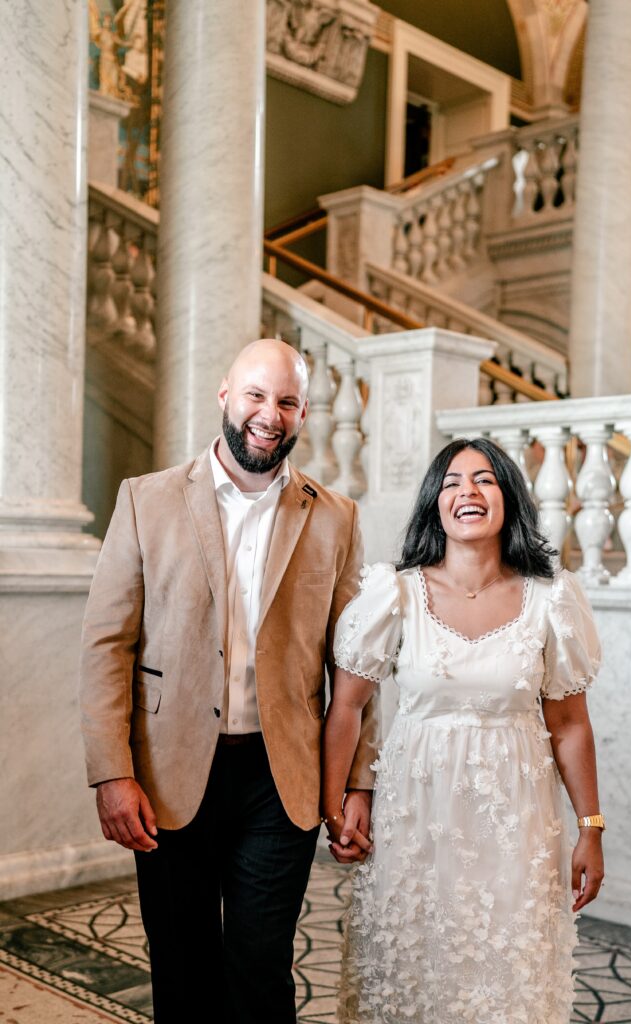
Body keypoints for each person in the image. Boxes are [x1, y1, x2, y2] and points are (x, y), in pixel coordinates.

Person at [79, 339, 377, 1023]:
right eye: (255, 395)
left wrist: (358, 781)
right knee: (180, 968)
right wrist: (111, 773)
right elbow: (105, 645)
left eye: (286, 401)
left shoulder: (335, 517)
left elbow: (356, 663)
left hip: (281, 781)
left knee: (260, 968)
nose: (268, 414)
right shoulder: (144, 500)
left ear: (302, 414)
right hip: (166, 774)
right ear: (224, 395)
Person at [323, 437, 604, 1024]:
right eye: (451, 482)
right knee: (410, 976)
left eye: (484, 480)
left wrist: (590, 829)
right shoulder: (393, 595)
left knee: (505, 982)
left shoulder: (552, 600)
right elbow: (346, 707)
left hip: (516, 830)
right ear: (435, 503)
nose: (466, 492)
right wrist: (335, 805)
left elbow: (571, 724)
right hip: (414, 822)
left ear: (509, 499)